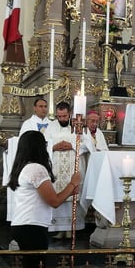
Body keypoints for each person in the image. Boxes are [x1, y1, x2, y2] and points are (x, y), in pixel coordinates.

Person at [8, 131, 80, 268]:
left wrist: (70, 190)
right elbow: (54, 201)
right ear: (39, 147)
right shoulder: (36, 169)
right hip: (31, 227)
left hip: (23, 224)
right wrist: (72, 183)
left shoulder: (24, 167)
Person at [45, 102, 86, 239]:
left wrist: (72, 145)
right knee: (58, 193)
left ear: (70, 114)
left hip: (72, 167)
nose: (61, 119)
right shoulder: (51, 127)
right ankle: (58, 228)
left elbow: (87, 144)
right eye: (59, 116)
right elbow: (43, 143)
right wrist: (53, 146)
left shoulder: (78, 126)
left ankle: (70, 228)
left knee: (72, 193)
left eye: (64, 116)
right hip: (56, 168)